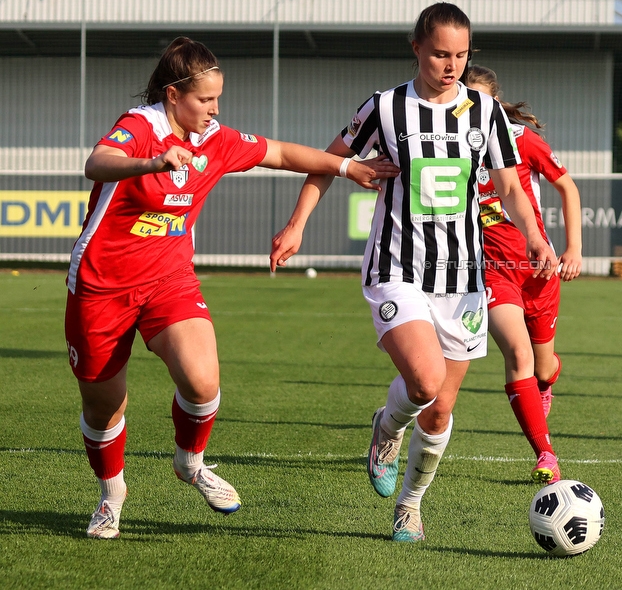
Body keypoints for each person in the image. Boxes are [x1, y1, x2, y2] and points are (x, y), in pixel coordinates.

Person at [66, 36, 399, 540]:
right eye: (205, 99)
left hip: (169, 279)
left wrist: (349, 166)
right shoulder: (141, 126)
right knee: (104, 406)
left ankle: (190, 462)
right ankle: (112, 494)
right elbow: (97, 162)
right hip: (101, 285)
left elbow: (281, 152)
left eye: (218, 99)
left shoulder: (215, 138)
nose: (214, 109)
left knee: (202, 381)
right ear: (174, 95)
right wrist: (153, 163)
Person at [269, 3, 557, 542]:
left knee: (442, 406)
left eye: (461, 55)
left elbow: (513, 189)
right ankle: (385, 429)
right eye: (441, 54)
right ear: (417, 49)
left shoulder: (486, 115)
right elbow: (326, 162)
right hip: (396, 265)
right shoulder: (384, 108)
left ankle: (410, 505)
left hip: (463, 276)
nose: (451, 66)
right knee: (423, 381)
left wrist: (536, 237)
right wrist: (296, 225)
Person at [462, 65, 583, 484]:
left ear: (495, 103)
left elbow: (568, 187)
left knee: (543, 368)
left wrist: (573, 248)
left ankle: (545, 384)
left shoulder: (520, 139)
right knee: (518, 356)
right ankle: (546, 453)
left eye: (479, 100)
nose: (471, 109)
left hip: (538, 271)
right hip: (493, 273)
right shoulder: (450, 146)